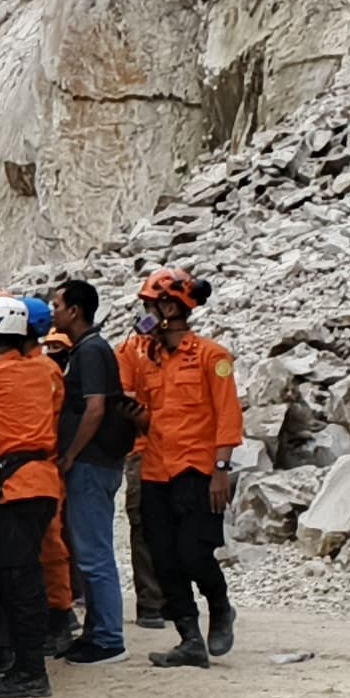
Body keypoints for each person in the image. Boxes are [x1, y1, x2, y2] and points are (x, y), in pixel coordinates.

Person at [124, 272, 243, 667]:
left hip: (199, 471)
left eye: (149, 306)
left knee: (195, 554)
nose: (144, 315)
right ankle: (189, 637)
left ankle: (220, 607)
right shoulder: (147, 360)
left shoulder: (213, 357)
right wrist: (136, 417)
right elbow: (145, 414)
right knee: (164, 558)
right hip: (157, 472)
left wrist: (221, 469)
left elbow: (228, 416)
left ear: (170, 308)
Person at [0, 294, 63, 698]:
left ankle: (30, 672)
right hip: (41, 485)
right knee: (21, 578)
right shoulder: (44, 371)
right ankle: (22, 663)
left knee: (19, 583)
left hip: (15, 490)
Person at [48, 277, 133, 664]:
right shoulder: (87, 349)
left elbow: (95, 407)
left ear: (75, 310)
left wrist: (71, 455)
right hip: (91, 462)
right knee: (88, 549)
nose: (54, 312)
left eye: (58, 305)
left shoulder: (91, 351)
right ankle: (97, 631)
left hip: (91, 463)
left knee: (94, 552)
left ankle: (109, 638)